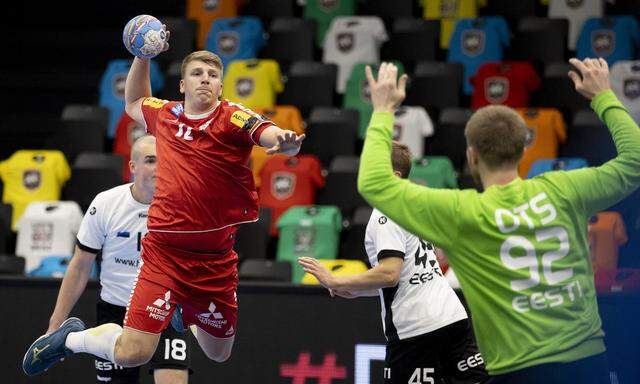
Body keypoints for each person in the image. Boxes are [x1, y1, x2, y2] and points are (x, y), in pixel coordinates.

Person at [23, 30, 304, 375]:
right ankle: (70, 340)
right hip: (164, 256)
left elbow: (266, 132)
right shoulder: (167, 115)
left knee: (219, 354)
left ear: (220, 86)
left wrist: (286, 142)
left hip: (214, 261)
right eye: (197, 74)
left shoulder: (233, 118)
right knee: (132, 354)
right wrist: (142, 56)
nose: (205, 80)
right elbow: (133, 102)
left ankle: (185, 310)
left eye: (213, 75)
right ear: (183, 85)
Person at [355, 58, 640, 383]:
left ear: (472, 155)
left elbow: (374, 183)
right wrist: (604, 95)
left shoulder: (462, 213)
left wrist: (383, 109)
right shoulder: (567, 189)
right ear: (522, 151)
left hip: (517, 371)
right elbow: (635, 161)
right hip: (587, 365)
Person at [299, 142, 490, 384]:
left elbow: (390, 273)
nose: (363, 176)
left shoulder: (385, 214)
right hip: (452, 318)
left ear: (393, 176)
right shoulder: (413, 207)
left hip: (417, 329)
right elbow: (407, 276)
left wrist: (336, 279)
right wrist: (355, 289)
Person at [44, 136, 191, 383]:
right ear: (133, 166)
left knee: (173, 378)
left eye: (164, 161)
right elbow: (80, 266)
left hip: (164, 310)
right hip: (115, 313)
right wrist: (54, 326)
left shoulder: (184, 206)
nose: (158, 167)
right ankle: (71, 340)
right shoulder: (106, 203)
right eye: (150, 160)